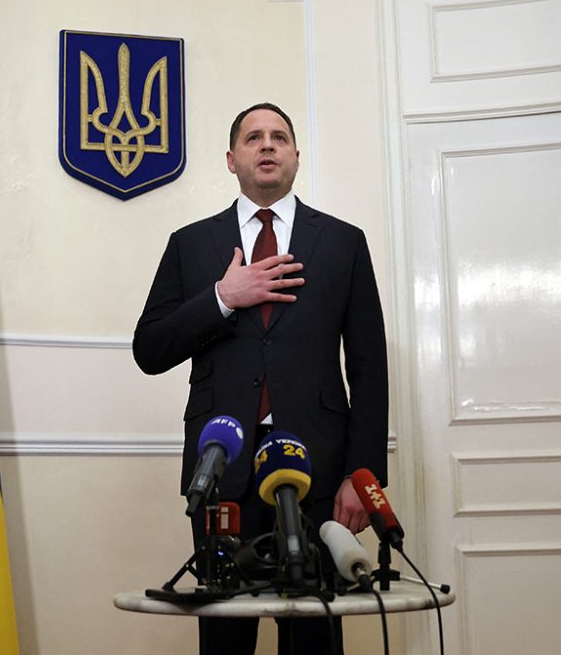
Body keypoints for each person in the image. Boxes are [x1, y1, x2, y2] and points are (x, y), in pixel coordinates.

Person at [133, 102, 389, 654]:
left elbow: (368, 368)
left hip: (319, 475)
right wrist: (225, 297)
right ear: (232, 159)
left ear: (296, 155)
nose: (267, 146)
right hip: (221, 473)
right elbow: (149, 350)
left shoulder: (344, 242)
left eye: (279, 137)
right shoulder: (191, 243)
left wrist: (362, 475)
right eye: (253, 138)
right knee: (225, 641)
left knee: (314, 640)